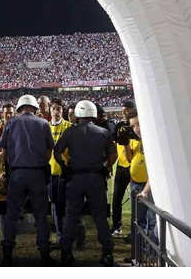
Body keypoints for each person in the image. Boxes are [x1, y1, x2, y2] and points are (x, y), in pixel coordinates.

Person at [54, 100, 117, 266]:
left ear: (78, 114)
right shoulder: (103, 132)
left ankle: (66, 253)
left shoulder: (69, 132)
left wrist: (64, 166)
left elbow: (57, 152)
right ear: (94, 114)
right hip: (96, 178)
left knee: (71, 216)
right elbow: (113, 156)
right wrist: (106, 167)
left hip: (75, 178)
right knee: (100, 217)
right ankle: (108, 253)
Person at [0, 95, 56, 267]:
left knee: (12, 215)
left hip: (17, 173)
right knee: (40, 216)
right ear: (34, 108)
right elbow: (48, 151)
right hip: (37, 173)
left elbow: (4, 151)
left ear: (19, 107)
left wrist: (5, 171)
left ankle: (7, 254)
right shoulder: (43, 123)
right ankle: (44, 254)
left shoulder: (10, 123)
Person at [121, 110, 157, 264]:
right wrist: (125, 143)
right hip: (136, 184)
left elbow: (156, 170)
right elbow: (129, 159)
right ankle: (138, 256)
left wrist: (146, 190)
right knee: (137, 222)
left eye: (139, 124)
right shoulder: (134, 139)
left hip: (150, 188)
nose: (136, 128)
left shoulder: (154, 140)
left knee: (153, 222)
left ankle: (154, 258)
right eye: (133, 125)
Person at [47, 98, 74, 249]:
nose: (56, 111)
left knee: (67, 206)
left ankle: (68, 236)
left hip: (67, 173)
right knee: (56, 206)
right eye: (54, 108)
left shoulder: (69, 127)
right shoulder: (45, 127)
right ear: (50, 110)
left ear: (62, 110)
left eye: (59, 108)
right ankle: (60, 236)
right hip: (51, 173)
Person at [111, 100, 139, 236]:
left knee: (137, 200)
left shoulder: (139, 124)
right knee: (116, 198)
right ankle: (117, 226)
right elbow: (115, 143)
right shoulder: (120, 125)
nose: (123, 112)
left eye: (126, 110)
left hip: (136, 166)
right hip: (122, 166)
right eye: (122, 110)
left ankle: (137, 229)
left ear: (133, 110)